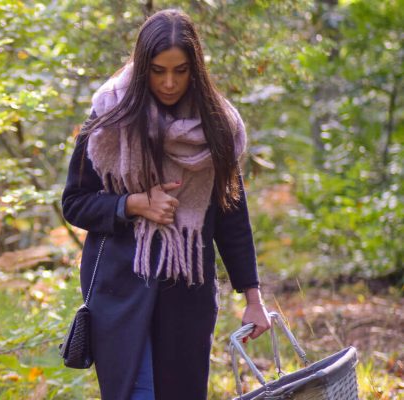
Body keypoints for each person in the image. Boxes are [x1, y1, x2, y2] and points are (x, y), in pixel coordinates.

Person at [61, 9, 271, 400]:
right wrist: (133, 204)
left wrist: (253, 299)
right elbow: (75, 203)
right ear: (143, 67)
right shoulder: (109, 117)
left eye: (180, 70)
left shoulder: (217, 125)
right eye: (158, 71)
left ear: (196, 69)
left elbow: (231, 217)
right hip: (120, 293)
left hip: (186, 295)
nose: (169, 82)